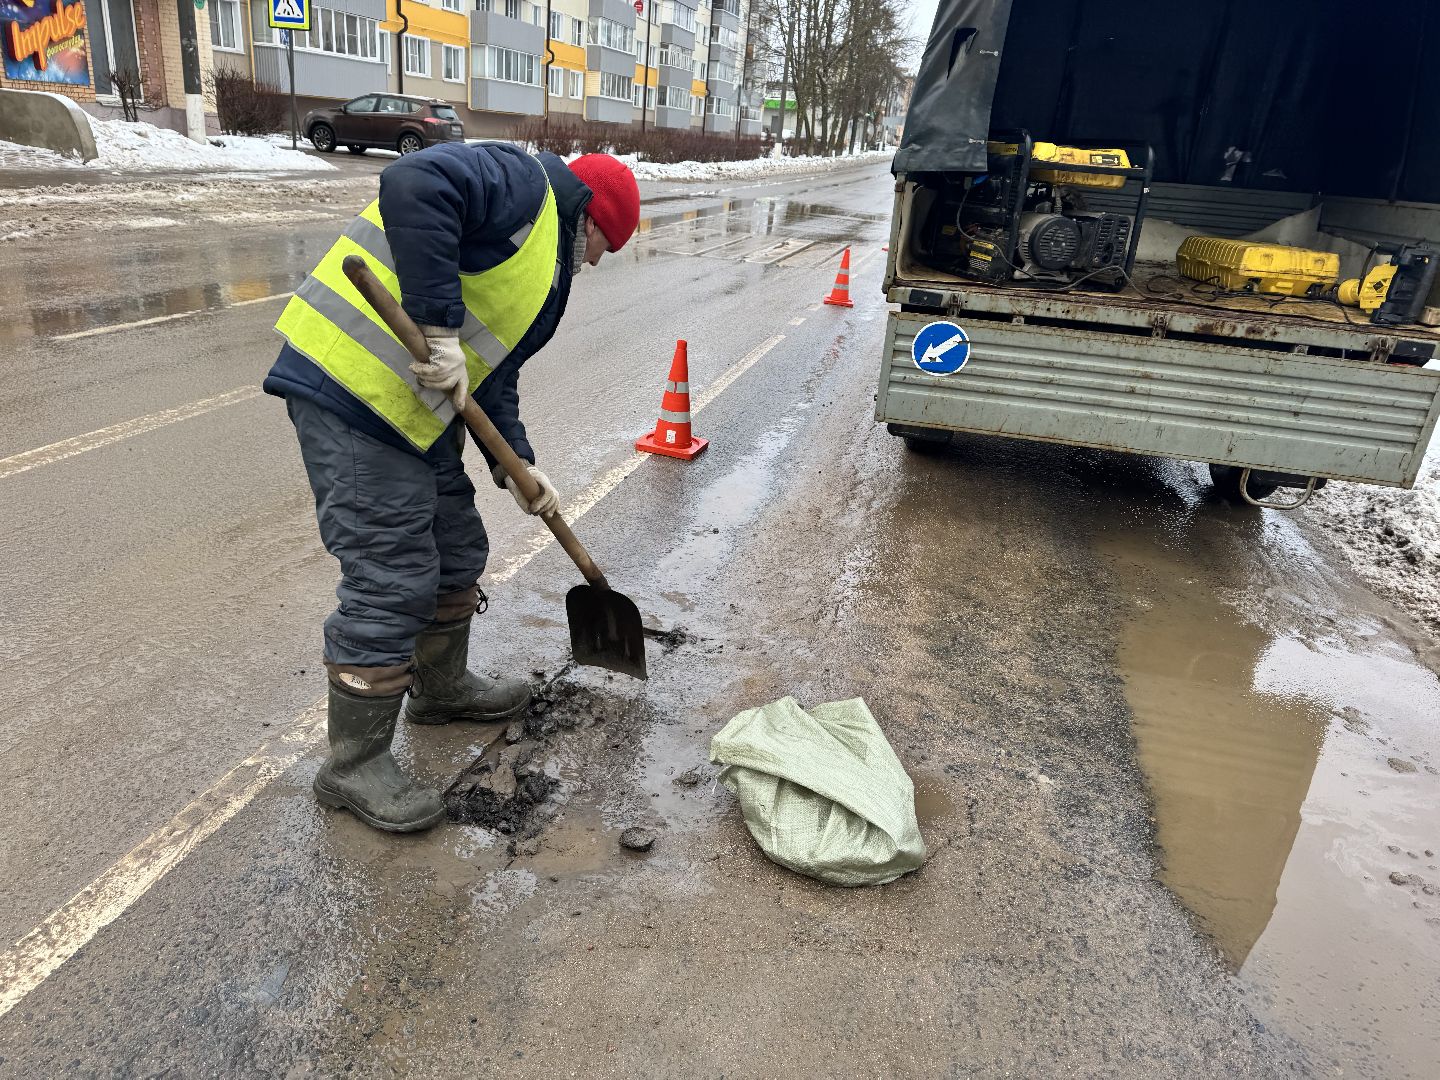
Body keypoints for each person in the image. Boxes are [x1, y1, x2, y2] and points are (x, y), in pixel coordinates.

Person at [263, 144, 640, 834]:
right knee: (391, 572)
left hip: (411, 413)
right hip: (348, 390)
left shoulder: (537, 254)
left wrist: (518, 468)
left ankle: (439, 688)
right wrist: (434, 328)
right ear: (594, 218)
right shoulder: (525, 186)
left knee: (457, 546)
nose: (594, 265)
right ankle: (351, 765)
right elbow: (414, 181)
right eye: (604, 248)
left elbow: (491, 373)